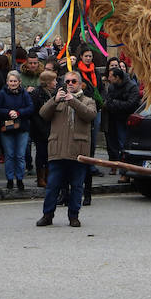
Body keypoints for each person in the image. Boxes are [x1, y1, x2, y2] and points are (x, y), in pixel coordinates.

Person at [36, 69, 96, 228]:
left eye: (73, 81)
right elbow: (42, 114)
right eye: (67, 81)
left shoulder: (88, 100)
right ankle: (47, 215)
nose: (69, 84)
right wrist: (54, 101)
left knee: (77, 186)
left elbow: (90, 115)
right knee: (52, 186)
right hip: (58, 150)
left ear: (80, 84)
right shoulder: (57, 99)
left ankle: (74, 216)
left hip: (78, 151)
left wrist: (73, 101)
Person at [0, 70, 33, 191]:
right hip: (7, 127)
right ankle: (10, 179)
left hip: (22, 127)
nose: (13, 83)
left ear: (19, 82)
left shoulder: (24, 94)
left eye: (15, 81)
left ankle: (20, 179)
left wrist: (19, 113)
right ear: (7, 82)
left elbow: (31, 108)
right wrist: (8, 112)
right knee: (9, 155)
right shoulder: (2, 93)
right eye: (11, 81)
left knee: (20, 155)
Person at [102, 65, 139, 171]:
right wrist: (114, 103)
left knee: (124, 144)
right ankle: (114, 165)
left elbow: (130, 104)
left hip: (125, 119)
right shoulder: (112, 87)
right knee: (113, 144)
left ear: (117, 77)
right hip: (113, 118)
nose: (109, 79)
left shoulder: (132, 87)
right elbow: (108, 101)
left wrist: (115, 103)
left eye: (111, 76)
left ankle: (125, 169)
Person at [29, 69, 57, 188]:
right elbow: (34, 114)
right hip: (40, 130)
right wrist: (42, 129)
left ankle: (48, 176)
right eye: (54, 80)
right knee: (41, 154)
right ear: (48, 82)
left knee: (50, 154)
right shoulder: (37, 94)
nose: (56, 82)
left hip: (51, 128)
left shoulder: (54, 93)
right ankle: (40, 178)